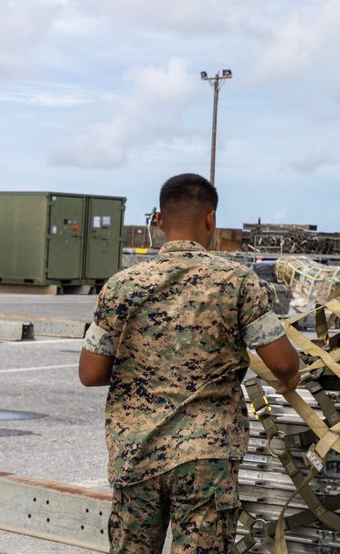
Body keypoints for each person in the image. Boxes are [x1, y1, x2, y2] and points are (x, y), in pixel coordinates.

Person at [79, 173, 301, 554]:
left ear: (160, 221)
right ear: (211, 219)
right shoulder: (238, 282)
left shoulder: (120, 286)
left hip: (136, 452)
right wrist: (291, 378)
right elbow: (281, 362)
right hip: (206, 456)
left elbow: (90, 373)